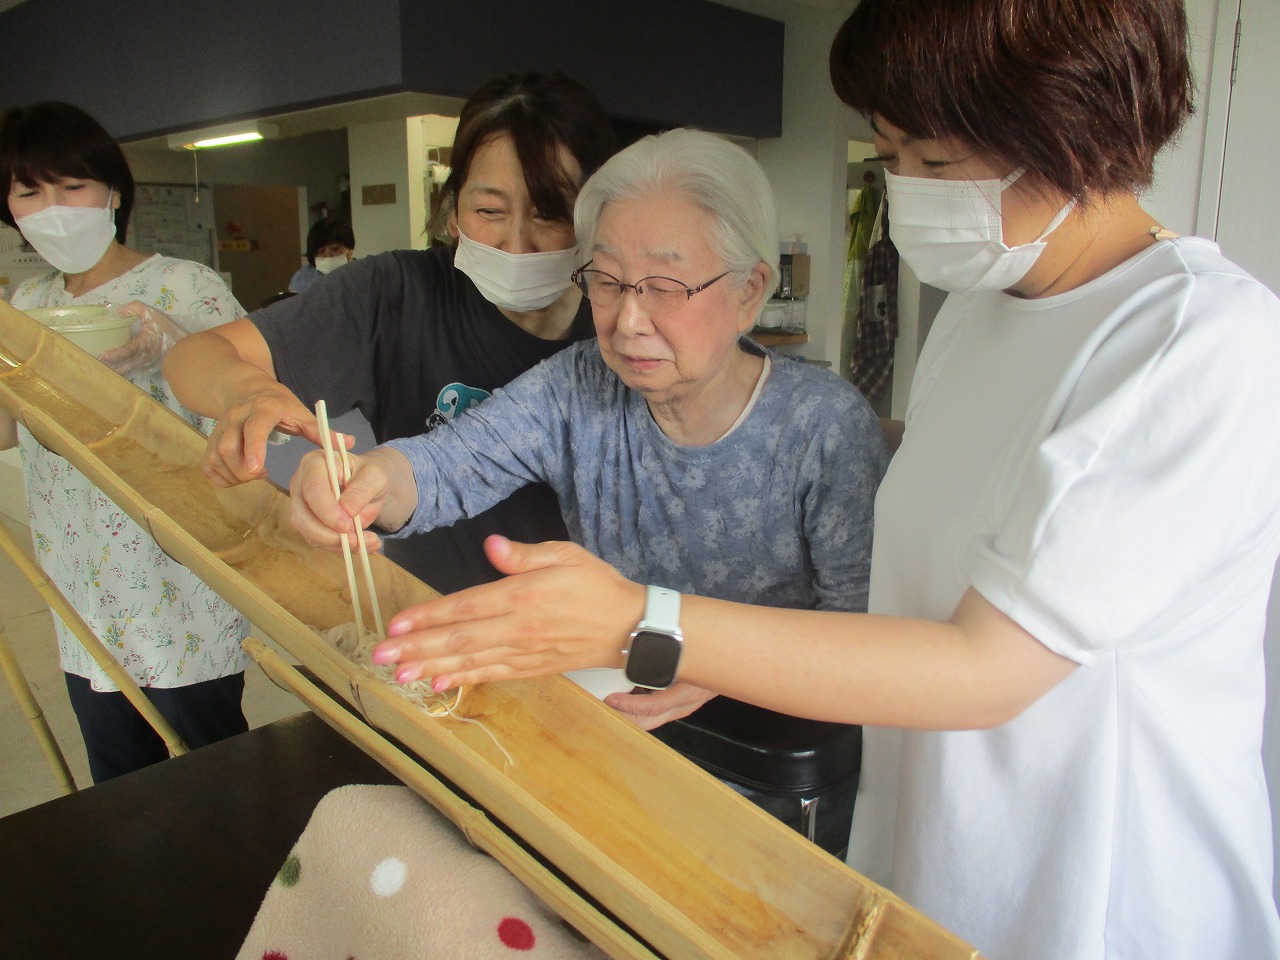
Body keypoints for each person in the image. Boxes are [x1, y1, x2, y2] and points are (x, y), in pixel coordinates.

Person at [336, 1, 1280, 958]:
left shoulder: (1195, 342)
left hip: (1101, 900)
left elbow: (984, 669)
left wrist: (640, 623)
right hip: (924, 851)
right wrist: (372, 480)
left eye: (932, 160)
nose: (903, 190)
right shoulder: (978, 314)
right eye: (891, 153)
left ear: (1067, 130)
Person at [288, 128, 888, 729]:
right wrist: (368, 478)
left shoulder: (824, 428)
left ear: (749, 292)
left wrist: (719, 666)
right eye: (607, 282)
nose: (628, 321)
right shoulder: (579, 385)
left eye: (665, 287)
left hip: (776, 732)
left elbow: (864, 634)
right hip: (611, 719)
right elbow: (447, 465)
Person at [165, 72, 619, 596]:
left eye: (550, 213)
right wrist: (250, 393)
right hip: (428, 619)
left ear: (596, 216)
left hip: (592, 628)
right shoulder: (397, 294)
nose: (516, 244)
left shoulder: (627, 323)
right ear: (453, 210)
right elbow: (197, 355)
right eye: (489, 211)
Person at [0, 101, 250, 783]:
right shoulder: (27, 305)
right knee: (119, 790)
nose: (54, 210)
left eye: (72, 186)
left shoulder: (184, 284)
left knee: (215, 779)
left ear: (113, 191)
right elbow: (15, 424)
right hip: (81, 590)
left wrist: (173, 343)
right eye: (30, 192)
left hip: (177, 587)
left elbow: (248, 405)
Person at [288, 217, 355, 294]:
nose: (328, 255)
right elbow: (295, 300)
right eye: (321, 251)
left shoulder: (361, 272)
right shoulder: (304, 276)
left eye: (335, 249)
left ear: (350, 249)